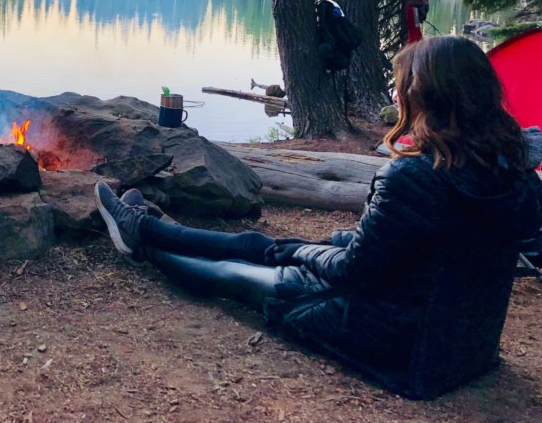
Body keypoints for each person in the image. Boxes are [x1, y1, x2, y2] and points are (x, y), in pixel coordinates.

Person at [95, 35, 542, 399]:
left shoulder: (413, 176)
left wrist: (300, 249)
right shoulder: (514, 170)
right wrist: (334, 241)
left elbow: (351, 273)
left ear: (426, 97)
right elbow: (428, 249)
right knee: (262, 246)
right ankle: (143, 224)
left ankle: (142, 242)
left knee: (237, 273)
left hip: (394, 344)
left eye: (402, 87)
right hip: (462, 348)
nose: (397, 95)